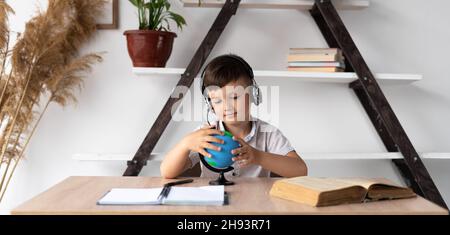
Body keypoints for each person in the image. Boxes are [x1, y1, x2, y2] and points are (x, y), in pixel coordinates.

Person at [160, 54, 307, 179]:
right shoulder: (206, 134)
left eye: (235, 97)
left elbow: (301, 171)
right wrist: (185, 144)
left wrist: (258, 156)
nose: (227, 106)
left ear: (253, 94)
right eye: (217, 101)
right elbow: (166, 172)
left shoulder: (268, 133)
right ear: (210, 105)